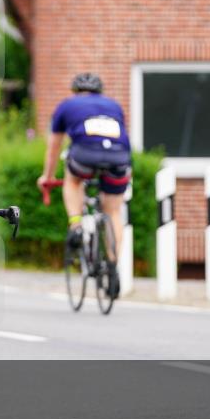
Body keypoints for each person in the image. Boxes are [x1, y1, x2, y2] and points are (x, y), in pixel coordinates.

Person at [37, 73, 131, 300]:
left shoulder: (66, 106)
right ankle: (112, 264)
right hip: (119, 158)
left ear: (75, 91)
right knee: (114, 212)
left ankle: (76, 225)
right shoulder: (114, 106)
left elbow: (54, 148)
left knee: (73, 180)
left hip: (84, 156)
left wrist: (47, 177)